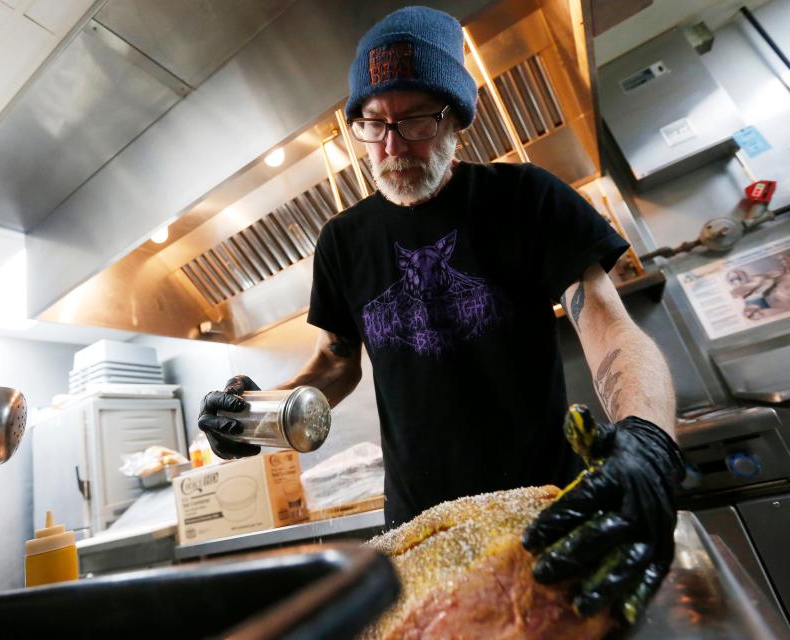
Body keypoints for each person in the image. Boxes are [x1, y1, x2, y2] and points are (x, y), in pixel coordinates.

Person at [199, 6, 682, 626]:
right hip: (418, 532)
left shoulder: (524, 199)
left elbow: (607, 323)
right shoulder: (343, 241)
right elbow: (335, 365)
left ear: (456, 120)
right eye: (372, 125)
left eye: (415, 121)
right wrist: (256, 415)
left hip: (540, 510)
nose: (391, 146)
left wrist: (647, 440)